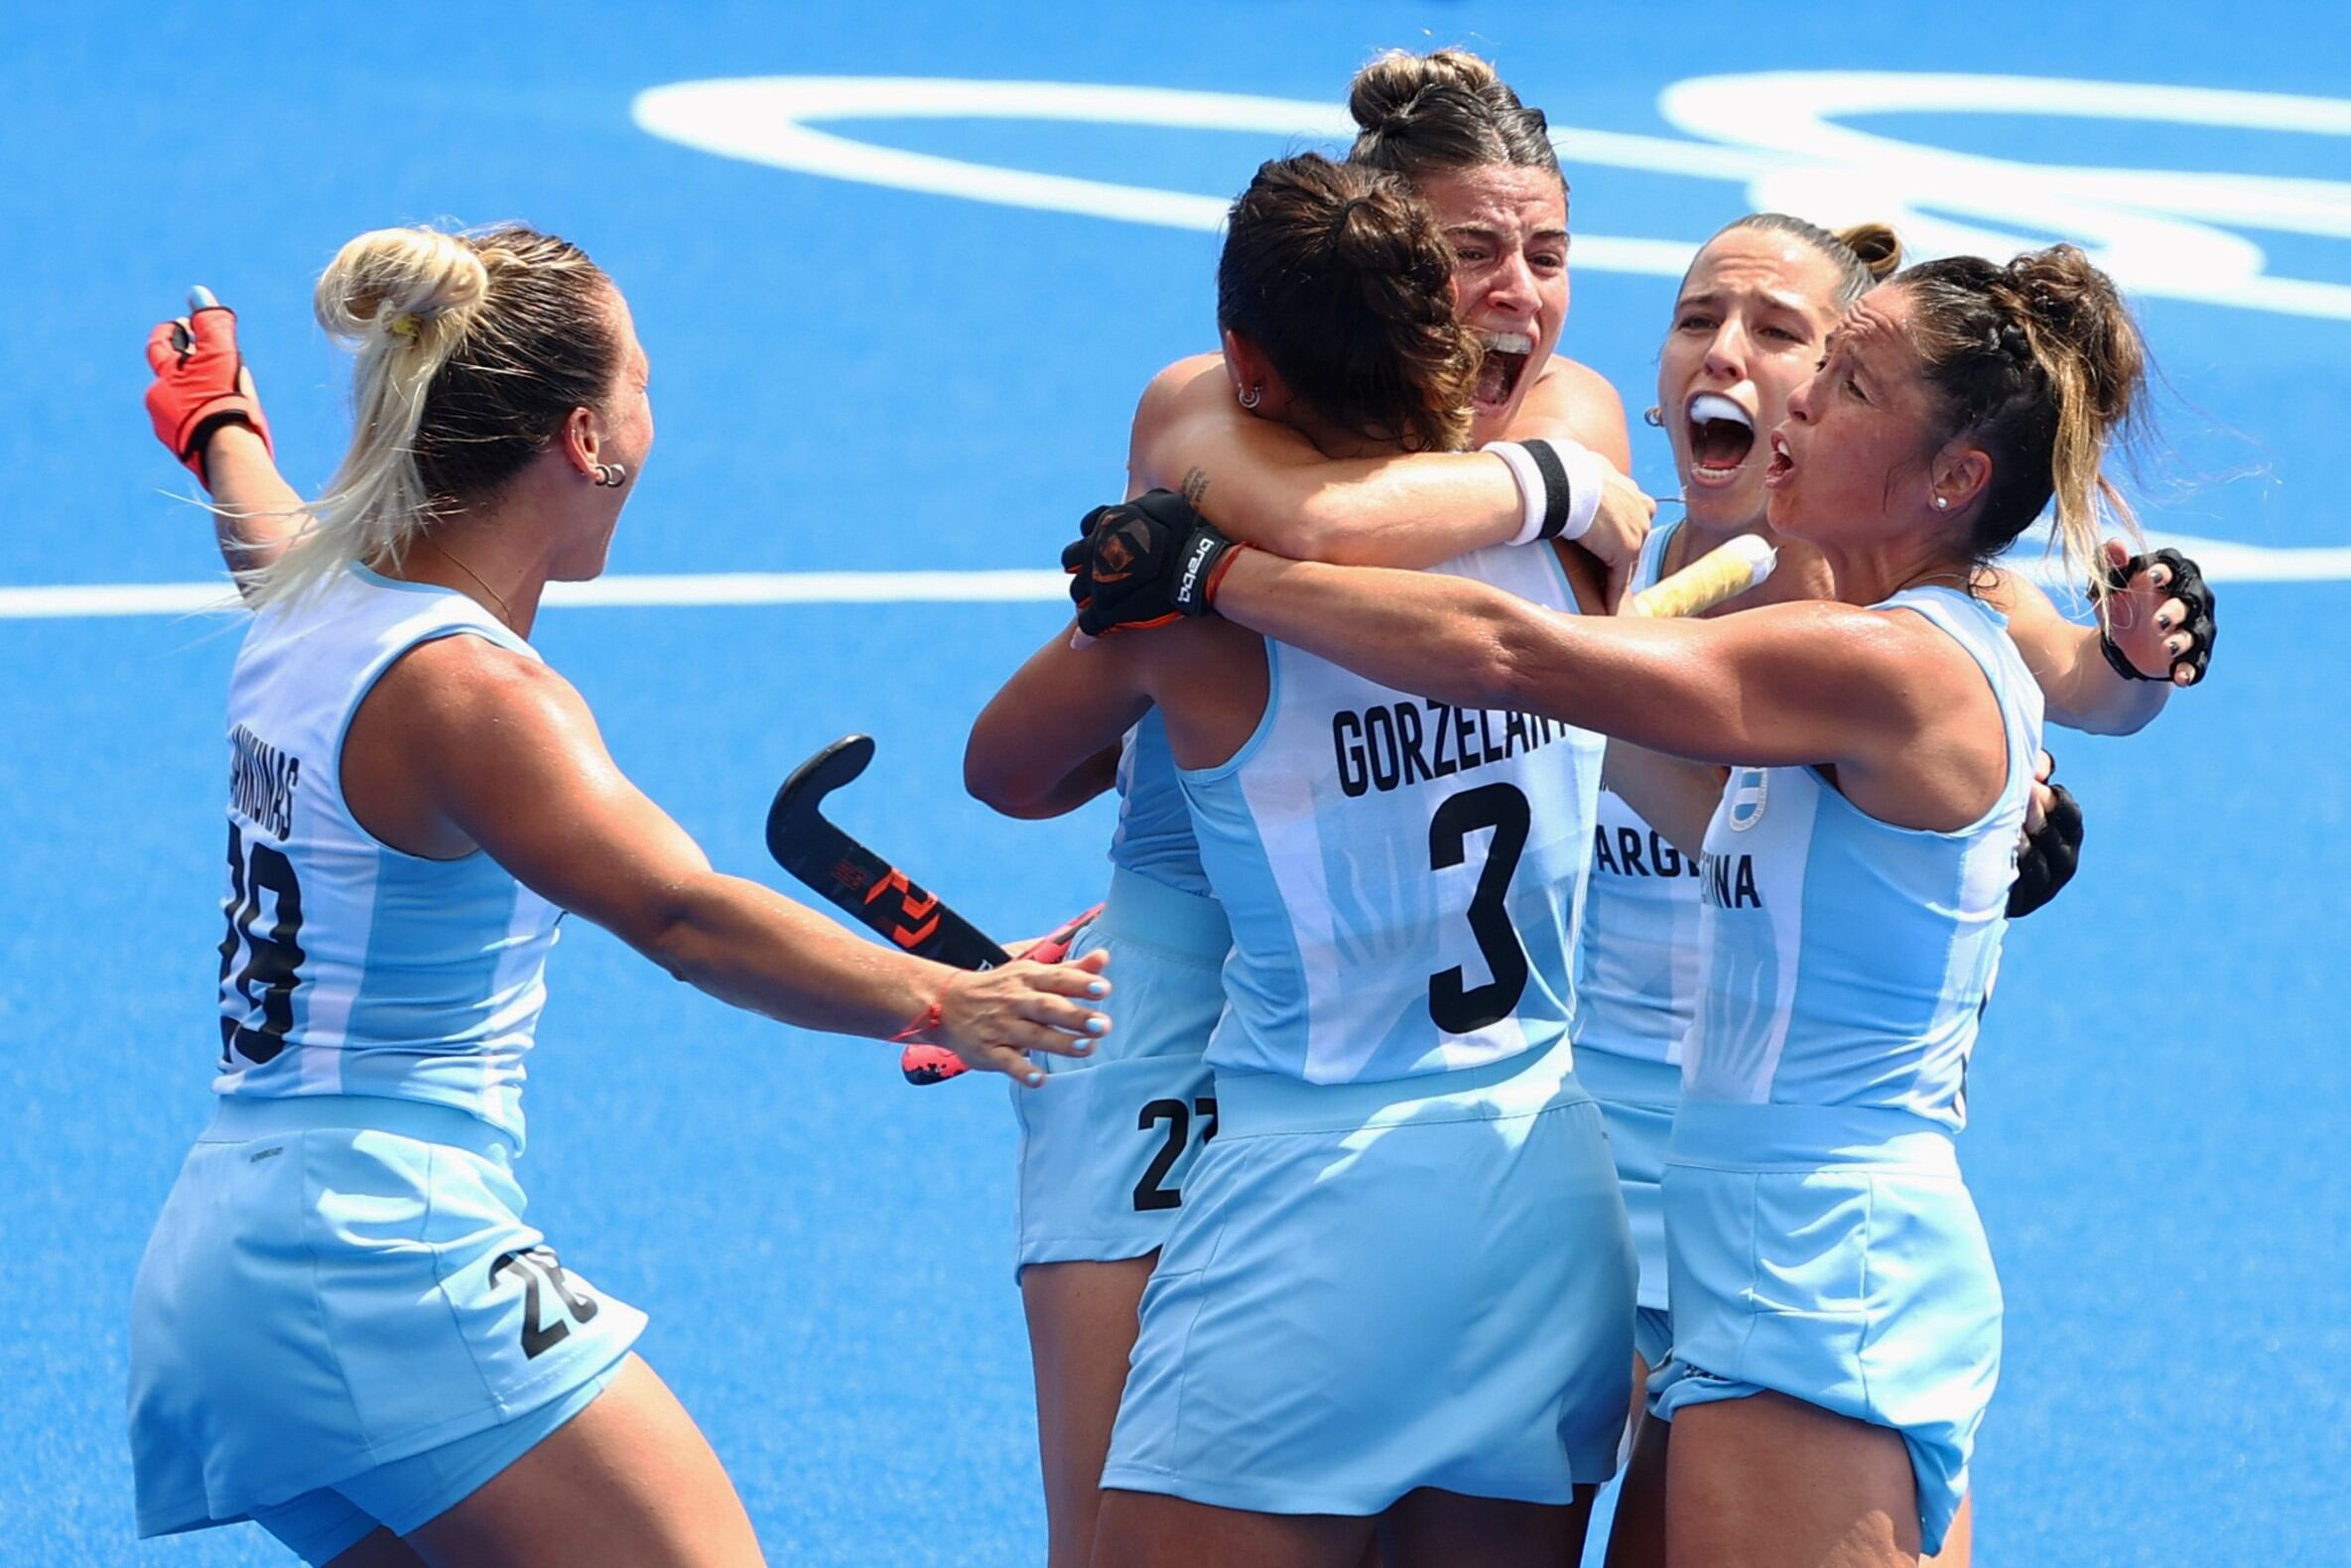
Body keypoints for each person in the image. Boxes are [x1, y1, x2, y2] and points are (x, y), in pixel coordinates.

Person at [1069, 239, 2151, 1565]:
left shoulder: (1883, 663)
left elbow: (1510, 657)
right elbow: (1594, 753)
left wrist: (1213, 576)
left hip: (1821, 1274)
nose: (1799, 399)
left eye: (1849, 384)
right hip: (1764, 1260)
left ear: (1953, 478)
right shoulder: (1867, 660)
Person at [132, 222, 1111, 1568]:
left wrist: (218, 423)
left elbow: (261, 530)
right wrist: (951, 996)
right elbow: (681, 913)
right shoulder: (476, 697)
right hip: (379, 1260)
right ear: (587, 440)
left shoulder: (312, 600)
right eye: (643, 381)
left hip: (227, 1270)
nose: (657, 416)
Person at [965, 48, 1654, 1568]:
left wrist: (1198, 574)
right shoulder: (1215, 417)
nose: (1520, 300)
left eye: (1548, 255)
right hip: (1173, 998)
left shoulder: (1563, 413)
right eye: (1473, 253)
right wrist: (1552, 490)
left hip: (1344, 1055)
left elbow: (1310, 531)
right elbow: (1335, 523)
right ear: (1390, 249)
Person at [1584, 212, 2215, 1568]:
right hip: (1610, 1161)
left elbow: (2095, 691)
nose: (1747, 365)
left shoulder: (1899, 625)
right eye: (1700, 318)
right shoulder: (1611, 564)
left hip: (1797, 1223)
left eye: (1791, 341)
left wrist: (2132, 670)